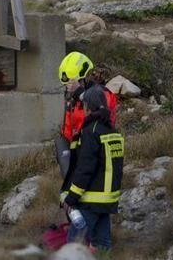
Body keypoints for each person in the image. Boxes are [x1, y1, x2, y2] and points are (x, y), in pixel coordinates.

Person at [60, 87, 125, 251]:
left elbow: (85, 169)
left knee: (73, 246)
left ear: (88, 106)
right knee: (102, 245)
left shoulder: (91, 131)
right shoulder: (112, 130)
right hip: (108, 200)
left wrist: (71, 197)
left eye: (84, 105)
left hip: (91, 200)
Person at [55, 52, 119, 179]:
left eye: (72, 84)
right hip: (80, 163)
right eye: (66, 85)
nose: (69, 89)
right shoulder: (73, 102)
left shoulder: (102, 93)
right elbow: (68, 133)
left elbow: (103, 114)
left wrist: (80, 93)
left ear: (83, 78)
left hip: (99, 159)